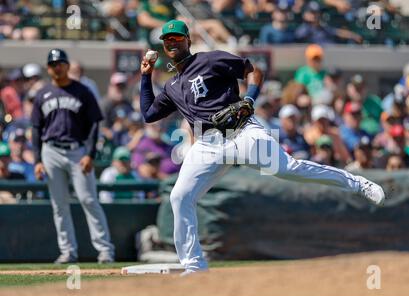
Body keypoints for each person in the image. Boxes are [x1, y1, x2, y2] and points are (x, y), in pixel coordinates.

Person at [139, 19, 385, 275]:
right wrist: (146, 75)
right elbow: (148, 113)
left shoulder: (209, 60)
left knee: (287, 168)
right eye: (168, 40)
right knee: (179, 197)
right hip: (207, 144)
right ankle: (194, 266)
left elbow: (253, 71)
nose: (172, 43)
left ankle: (357, 183)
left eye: (177, 38)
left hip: (241, 131)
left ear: (188, 40)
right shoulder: (171, 86)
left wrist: (248, 99)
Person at [31, 49, 115, 264]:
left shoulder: (83, 91)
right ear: (48, 69)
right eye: (53, 64)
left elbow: (95, 124)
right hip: (50, 151)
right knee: (59, 204)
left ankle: (105, 250)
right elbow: (36, 129)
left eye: (60, 63)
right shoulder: (42, 94)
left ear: (67, 66)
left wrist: (90, 154)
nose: (57, 67)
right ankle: (68, 251)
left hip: (77, 151)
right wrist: (37, 160)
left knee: (89, 199)